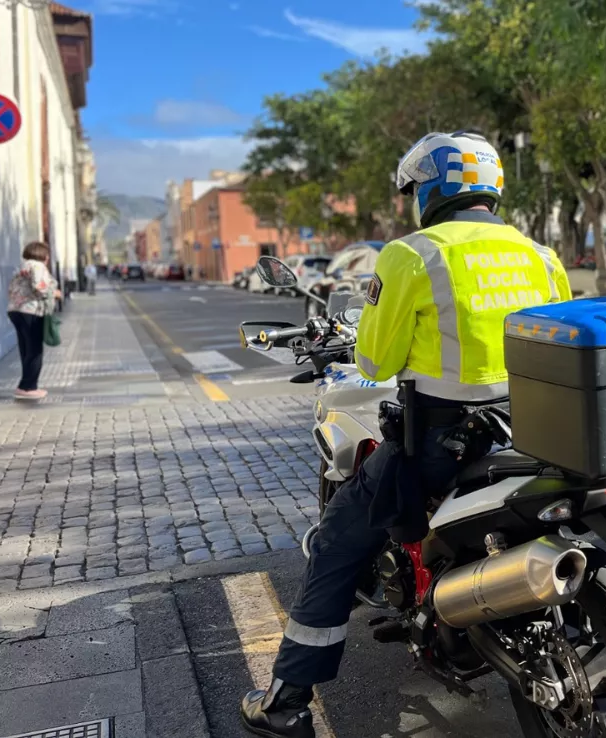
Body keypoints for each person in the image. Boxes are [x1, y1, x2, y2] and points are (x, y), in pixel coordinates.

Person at [239, 131, 572, 738]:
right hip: (529, 437)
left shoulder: (413, 255)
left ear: (430, 190)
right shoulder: (541, 256)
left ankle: (286, 704)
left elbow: (374, 361)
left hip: (441, 447)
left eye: (414, 189)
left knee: (337, 541)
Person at [6, 242, 60, 401]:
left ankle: (25, 385)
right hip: (31, 310)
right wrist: (54, 293)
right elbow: (39, 286)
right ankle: (28, 387)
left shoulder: (22, 267)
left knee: (25, 349)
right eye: (47, 255)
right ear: (43, 255)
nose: (48, 258)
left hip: (15, 310)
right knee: (35, 350)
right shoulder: (37, 266)